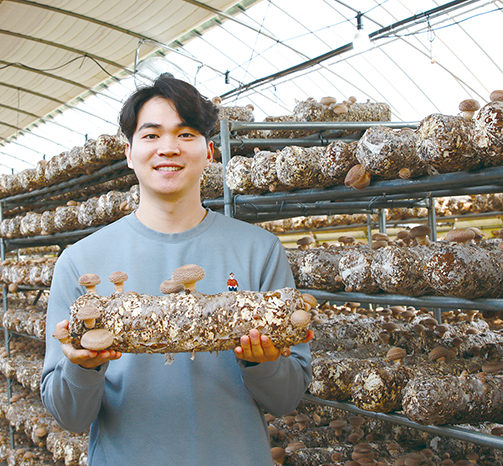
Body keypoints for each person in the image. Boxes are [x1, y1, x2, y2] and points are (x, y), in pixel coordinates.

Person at [40, 76, 312, 465]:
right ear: (129, 153)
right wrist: (83, 367)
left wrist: (262, 361)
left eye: (186, 134)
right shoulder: (81, 260)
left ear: (209, 151)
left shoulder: (259, 250)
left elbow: (286, 400)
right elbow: (68, 415)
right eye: (150, 136)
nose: (168, 148)